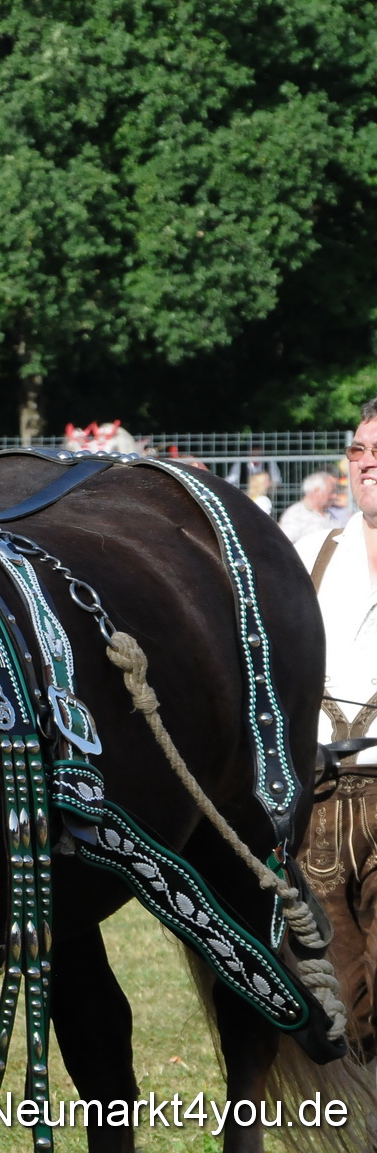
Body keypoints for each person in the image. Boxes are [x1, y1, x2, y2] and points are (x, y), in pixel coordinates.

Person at [297, 398, 377, 1060]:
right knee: (337, 982)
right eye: (357, 450)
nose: (366, 461)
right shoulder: (303, 551)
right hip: (320, 795)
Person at [280, 471, 340, 542]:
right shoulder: (295, 514)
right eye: (331, 492)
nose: (335, 496)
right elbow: (286, 543)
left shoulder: (332, 514)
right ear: (316, 491)